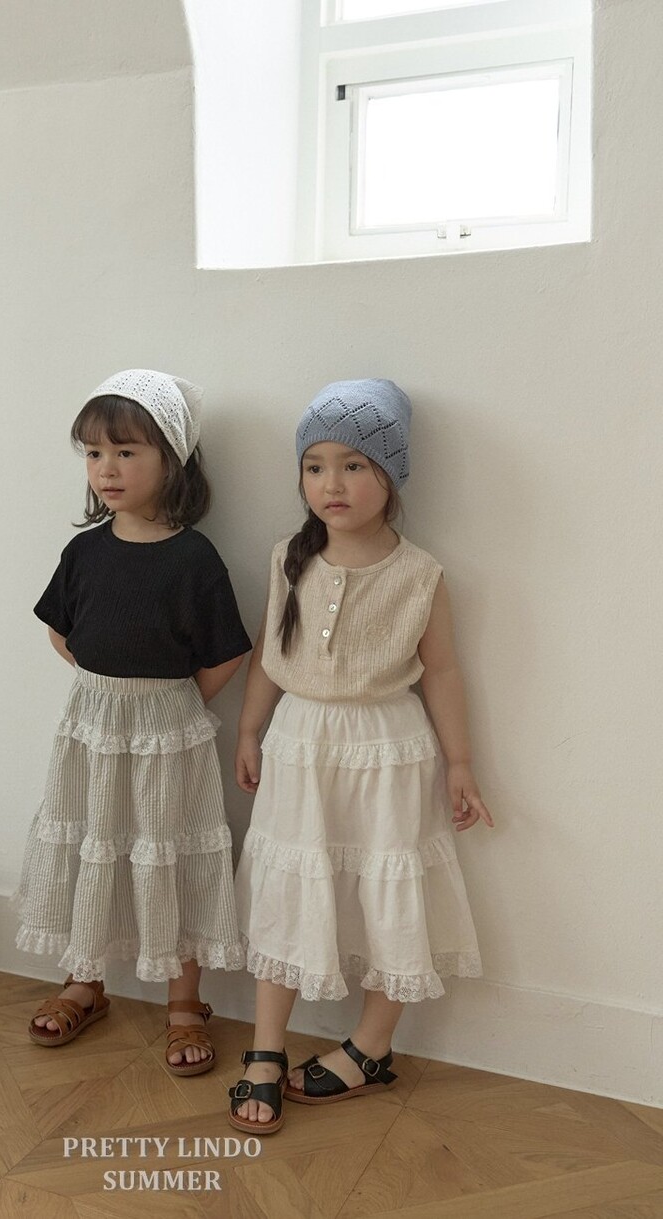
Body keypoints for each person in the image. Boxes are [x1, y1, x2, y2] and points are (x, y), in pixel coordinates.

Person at [228, 378, 493, 1133]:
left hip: (387, 748)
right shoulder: (288, 558)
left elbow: (442, 670)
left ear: (391, 474)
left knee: (389, 888)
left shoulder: (420, 574)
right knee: (290, 885)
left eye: (353, 465)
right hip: (300, 743)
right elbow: (269, 654)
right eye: (315, 466)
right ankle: (266, 1046)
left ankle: (371, 1045)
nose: (332, 484)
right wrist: (248, 730)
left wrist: (461, 761)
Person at [15, 368, 252, 1075]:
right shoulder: (85, 550)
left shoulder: (193, 557)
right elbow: (61, 629)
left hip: (167, 730)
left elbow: (227, 652)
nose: (107, 469)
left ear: (171, 460)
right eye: (94, 453)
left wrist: (167, 703)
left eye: (126, 452)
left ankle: (185, 1001)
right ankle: (84, 980)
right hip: (92, 725)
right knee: (93, 840)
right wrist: (106, 690)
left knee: (166, 849)